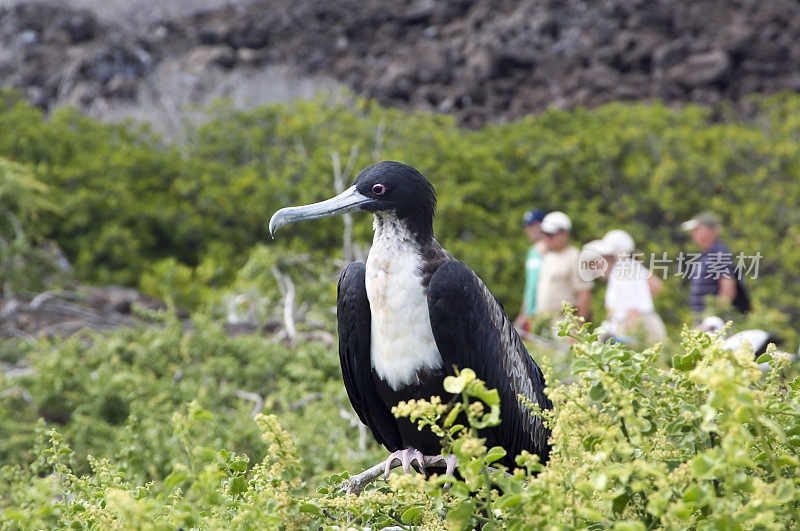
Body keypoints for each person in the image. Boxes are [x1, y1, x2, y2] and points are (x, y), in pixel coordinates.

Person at [598, 229, 666, 343]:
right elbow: (657, 285)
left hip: (636, 324)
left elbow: (632, 308)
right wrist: (644, 301)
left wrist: (634, 340)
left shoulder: (621, 271)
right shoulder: (631, 266)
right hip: (646, 321)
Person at [535, 211, 593, 322]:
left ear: (565, 233)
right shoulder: (548, 257)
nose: (547, 238)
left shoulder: (575, 257)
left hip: (566, 322)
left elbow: (584, 293)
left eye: (551, 234)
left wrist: (578, 327)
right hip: (545, 322)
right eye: (545, 234)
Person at [681, 212, 736, 316]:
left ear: (710, 230)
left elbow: (728, 287)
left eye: (697, 229)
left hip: (711, 322)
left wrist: (714, 316)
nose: (693, 234)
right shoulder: (707, 254)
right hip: (702, 317)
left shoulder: (719, 253)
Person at [514, 209, 547, 331]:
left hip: (544, 313)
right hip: (530, 314)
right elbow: (530, 286)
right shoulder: (531, 251)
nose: (529, 230)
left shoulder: (549, 251)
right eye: (528, 226)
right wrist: (523, 313)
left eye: (533, 225)